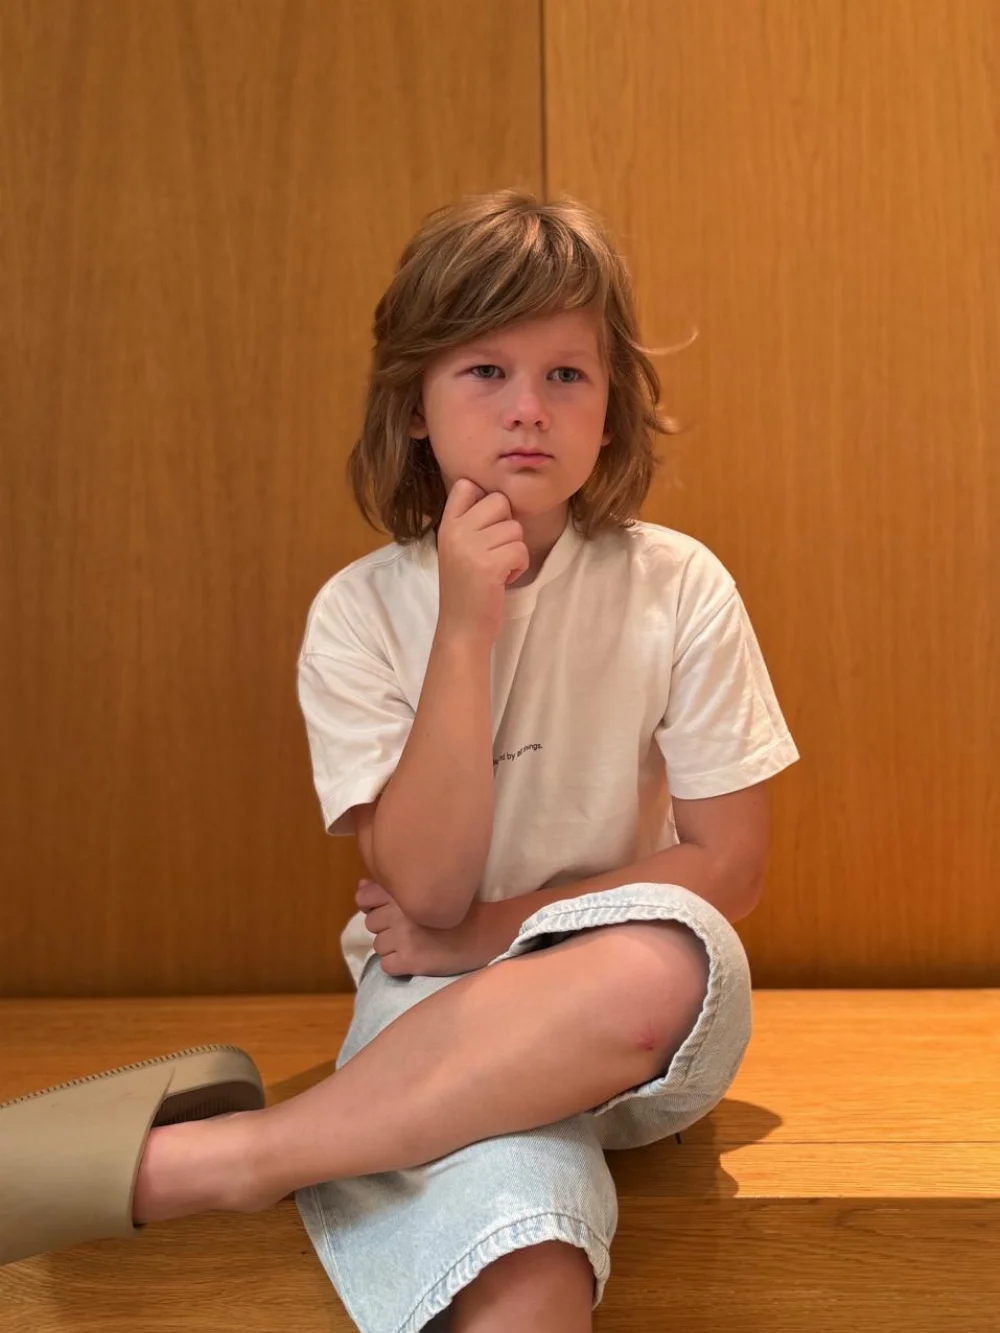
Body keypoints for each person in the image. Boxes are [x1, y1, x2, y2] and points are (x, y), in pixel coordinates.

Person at [0, 190, 799, 1333]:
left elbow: (728, 868)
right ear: (416, 404)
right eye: (485, 371)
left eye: (566, 375)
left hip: (631, 1031)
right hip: (430, 1012)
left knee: (664, 959)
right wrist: (465, 626)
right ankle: (284, 1152)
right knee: (530, 1268)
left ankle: (235, 1157)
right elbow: (424, 888)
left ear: (611, 405)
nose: (528, 409)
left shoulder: (678, 586)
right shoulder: (360, 612)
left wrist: (491, 933)